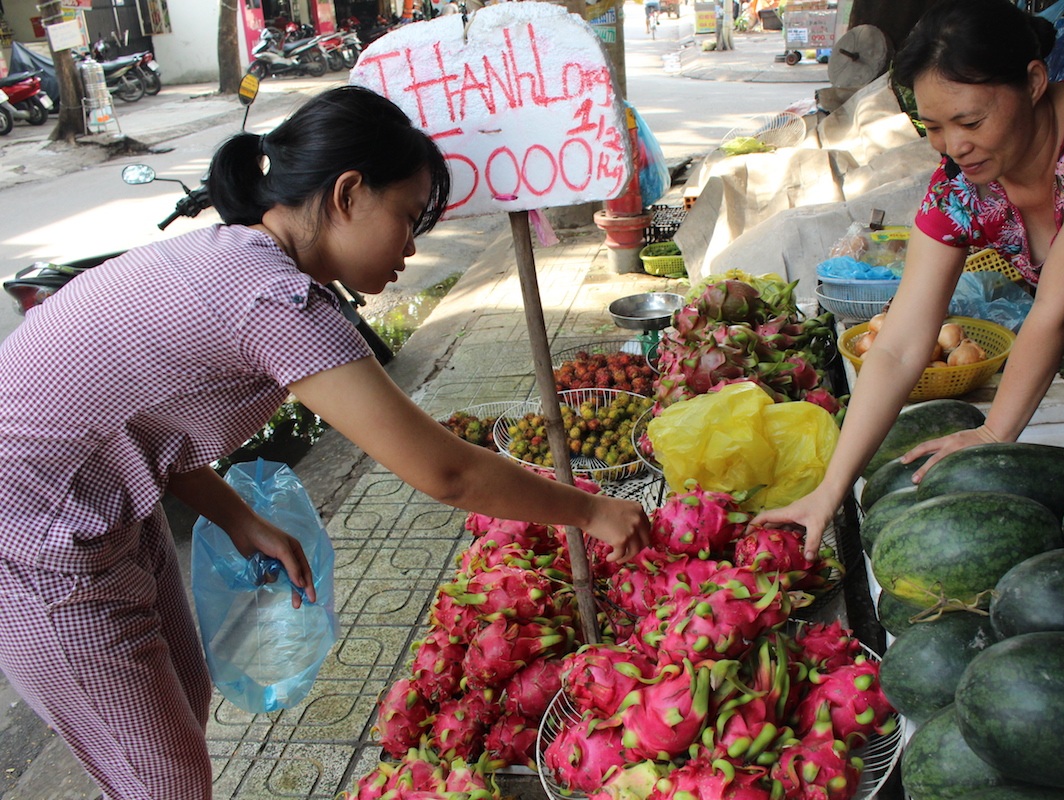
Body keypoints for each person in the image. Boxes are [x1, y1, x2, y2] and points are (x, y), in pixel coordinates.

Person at [0, 86, 651, 800]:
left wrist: (238, 516)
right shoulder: (275, 300)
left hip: (105, 509)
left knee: (179, 718)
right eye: (408, 219)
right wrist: (591, 513)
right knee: (162, 782)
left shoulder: (234, 256)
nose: (411, 246)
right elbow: (447, 473)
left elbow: (142, 417)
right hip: (36, 544)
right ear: (347, 193)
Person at [756, 0, 1064, 560]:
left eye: (970, 121)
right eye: (933, 127)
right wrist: (830, 489)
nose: (952, 146)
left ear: (1035, 81)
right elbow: (898, 345)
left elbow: (1054, 312)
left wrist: (993, 436)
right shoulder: (960, 190)